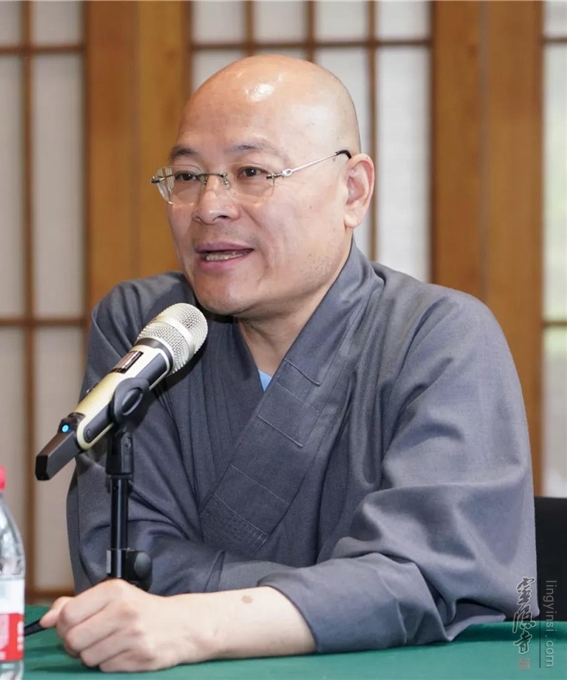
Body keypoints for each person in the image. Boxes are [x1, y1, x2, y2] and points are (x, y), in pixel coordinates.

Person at [39, 55, 538, 672]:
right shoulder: (149, 327)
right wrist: (342, 594)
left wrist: (205, 622)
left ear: (352, 190)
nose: (208, 206)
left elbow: (428, 575)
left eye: (251, 172)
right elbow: (121, 556)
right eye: (188, 175)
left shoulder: (439, 339)